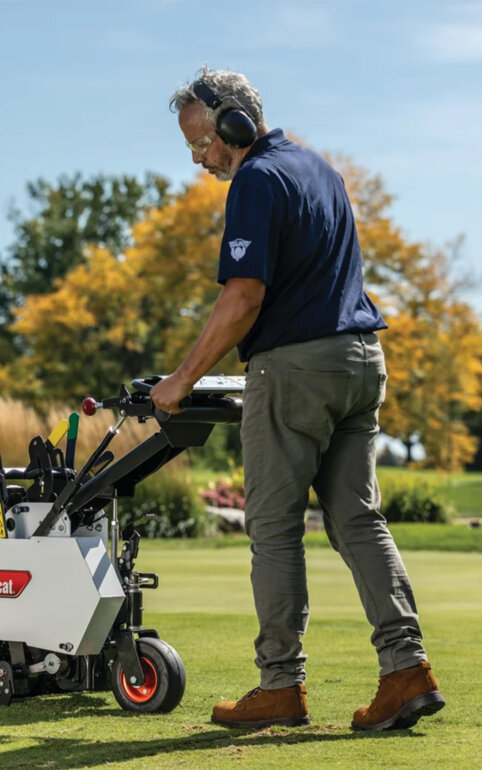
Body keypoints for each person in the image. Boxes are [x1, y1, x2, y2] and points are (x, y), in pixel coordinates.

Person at [151, 67, 445, 731]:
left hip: (298, 370)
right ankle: (407, 670)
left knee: (275, 528)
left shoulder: (255, 179)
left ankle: (280, 686)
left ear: (233, 124)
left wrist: (182, 379)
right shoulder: (317, 167)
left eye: (202, 144)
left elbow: (243, 296)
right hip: (361, 361)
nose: (201, 161)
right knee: (358, 520)